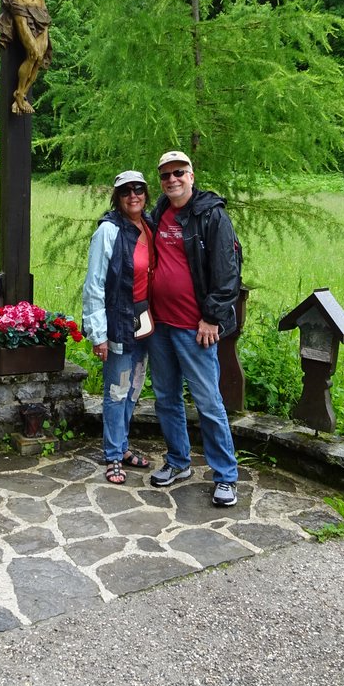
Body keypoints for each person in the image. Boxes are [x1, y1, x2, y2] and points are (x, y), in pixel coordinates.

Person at [147, 150, 241, 506]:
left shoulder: (211, 216)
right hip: (160, 326)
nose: (172, 179)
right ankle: (178, 461)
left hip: (195, 327)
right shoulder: (160, 212)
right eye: (165, 174)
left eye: (178, 173)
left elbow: (228, 271)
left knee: (207, 401)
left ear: (191, 175)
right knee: (166, 398)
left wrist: (212, 317)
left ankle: (226, 477)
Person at [82, 170, 156, 485]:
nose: (133, 196)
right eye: (126, 191)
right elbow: (95, 285)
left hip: (145, 323)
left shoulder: (150, 225)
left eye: (138, 189)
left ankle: (121, 446)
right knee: (117, 390)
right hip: (119, 324)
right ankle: (113, 455)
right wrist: (98, 334)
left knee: (134, 389)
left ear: (146, 193)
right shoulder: (108, 232)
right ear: (117, 196)